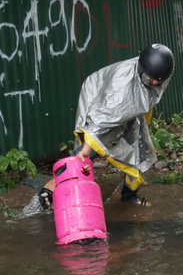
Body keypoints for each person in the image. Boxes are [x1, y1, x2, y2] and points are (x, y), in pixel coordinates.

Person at [39, 44, 174, 207]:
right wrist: (87, 149)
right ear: (142, 69)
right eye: (151, 78)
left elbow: (146, 98)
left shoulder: (160, 73)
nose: (154, 82)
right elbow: (100, 120)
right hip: (101, 98)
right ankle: (51, 188)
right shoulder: (121, 86)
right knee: (92, 148)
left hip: (130, 104)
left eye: (158, 80)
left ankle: (129, 196)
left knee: (139, 148)